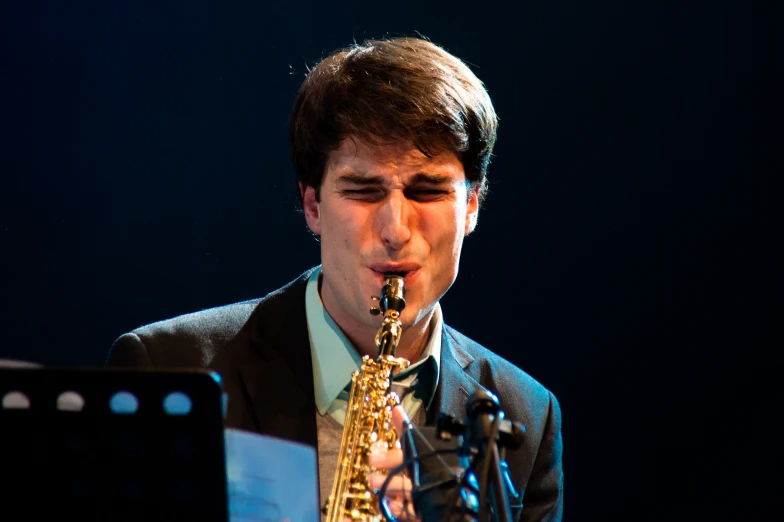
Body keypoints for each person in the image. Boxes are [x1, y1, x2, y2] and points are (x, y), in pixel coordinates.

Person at [107, 36, 563, 521]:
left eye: (426, 191)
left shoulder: (527, 416)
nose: (395, 231)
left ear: (471, 204)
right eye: (363, 191)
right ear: (312, 206)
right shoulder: (166, 368)